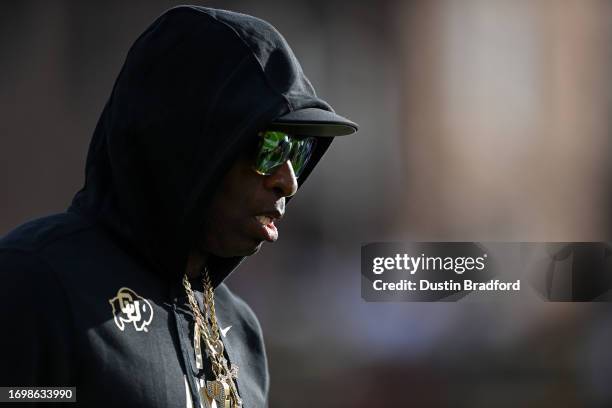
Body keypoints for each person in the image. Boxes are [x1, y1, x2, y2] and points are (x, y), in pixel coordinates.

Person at [0, 6, 357, 408]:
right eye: (271, 147)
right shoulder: (37, 282)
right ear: (191, 144)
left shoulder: (239, 330)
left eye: (301, 152)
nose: (288, 181)